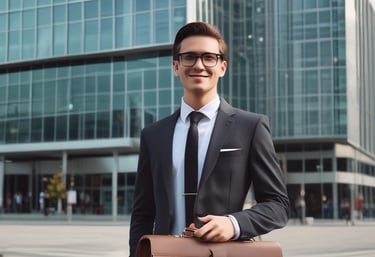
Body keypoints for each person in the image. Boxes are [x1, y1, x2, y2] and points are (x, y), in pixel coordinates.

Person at [129, 21, 290, 257]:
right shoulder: (153, 135)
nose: (199, 65)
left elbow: (278, 205)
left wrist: (234, 224)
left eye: (209, 57)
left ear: (222, 67)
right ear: (176, 66)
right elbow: (143, 213)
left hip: (225, 253)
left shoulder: (251, 126)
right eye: (189, 57)